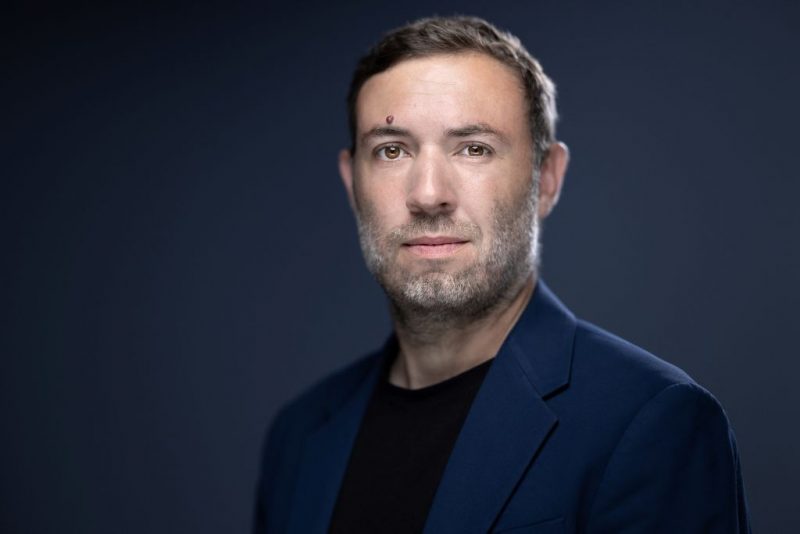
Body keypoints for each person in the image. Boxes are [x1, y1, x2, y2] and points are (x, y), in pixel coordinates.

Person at [253, 16, 751, 534]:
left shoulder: (651, 423)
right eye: (392, 150)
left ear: (547, 179)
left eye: (473, 148)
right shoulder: (301, 436)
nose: (427, 194)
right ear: (352, 182)